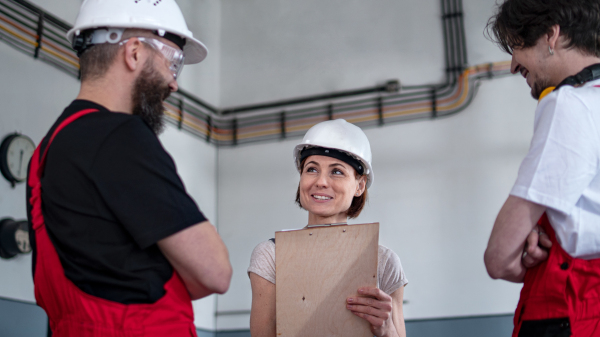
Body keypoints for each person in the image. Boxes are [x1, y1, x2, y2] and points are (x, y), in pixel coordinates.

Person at [26, 0, 232, 336]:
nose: (173, 82)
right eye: (173, 62)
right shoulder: (120, 136)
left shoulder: (47, 151)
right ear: (134, 52)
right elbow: (215, 272)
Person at [483, 0, 600, 335]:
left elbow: (498, 257)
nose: (512, 65)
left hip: (573, 313)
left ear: (551, 35)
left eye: (518, 46)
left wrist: (520, 253)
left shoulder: (570, 104)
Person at [247, 119, 408, 337]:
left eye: (337, 172)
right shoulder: (271, 255)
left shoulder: (384, 262)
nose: (321, 182)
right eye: (311, 169)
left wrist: (387, 329)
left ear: (360, 186)